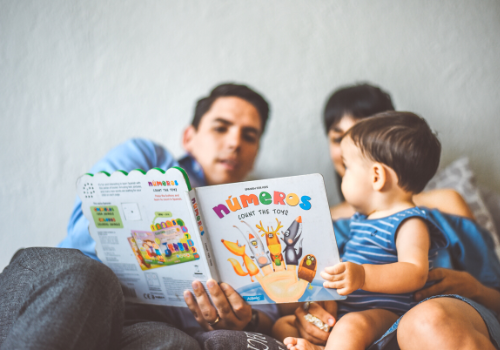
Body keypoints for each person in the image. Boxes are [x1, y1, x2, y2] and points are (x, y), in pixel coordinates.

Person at [0, 83, 285, 350]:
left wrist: (246, 319)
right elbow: (86, 232)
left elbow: (269, 309)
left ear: (256, 152)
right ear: (189, 137)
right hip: (71, 276)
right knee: (91, 276)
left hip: (141, 320)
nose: (235, 142)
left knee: (175, 343)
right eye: (221, 128)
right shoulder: (146, 157)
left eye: (249, 136)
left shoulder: (256, 220)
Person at [290, 83, 500, 350]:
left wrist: (476, 288)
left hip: (430, 316)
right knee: (284, 326)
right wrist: (314, 308)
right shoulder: (327, 222)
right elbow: (313, 284)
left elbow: (493, 291)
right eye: (337, 137)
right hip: (354, 319)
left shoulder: (434, 209)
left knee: (424, 321)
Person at [276, 112, 447, 350]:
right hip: (346, 311)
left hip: (386, 315)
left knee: (350, 327)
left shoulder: (410, 221)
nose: (342, 174)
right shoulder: (361, 220)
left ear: (376, 176)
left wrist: (363, 276)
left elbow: (415, 272)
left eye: (347, 168)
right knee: (283, 325)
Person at [324, 83, 474, 221]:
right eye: (338, 139)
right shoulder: (323, 220)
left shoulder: (446, 204)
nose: (347, 150)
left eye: (361, 139)